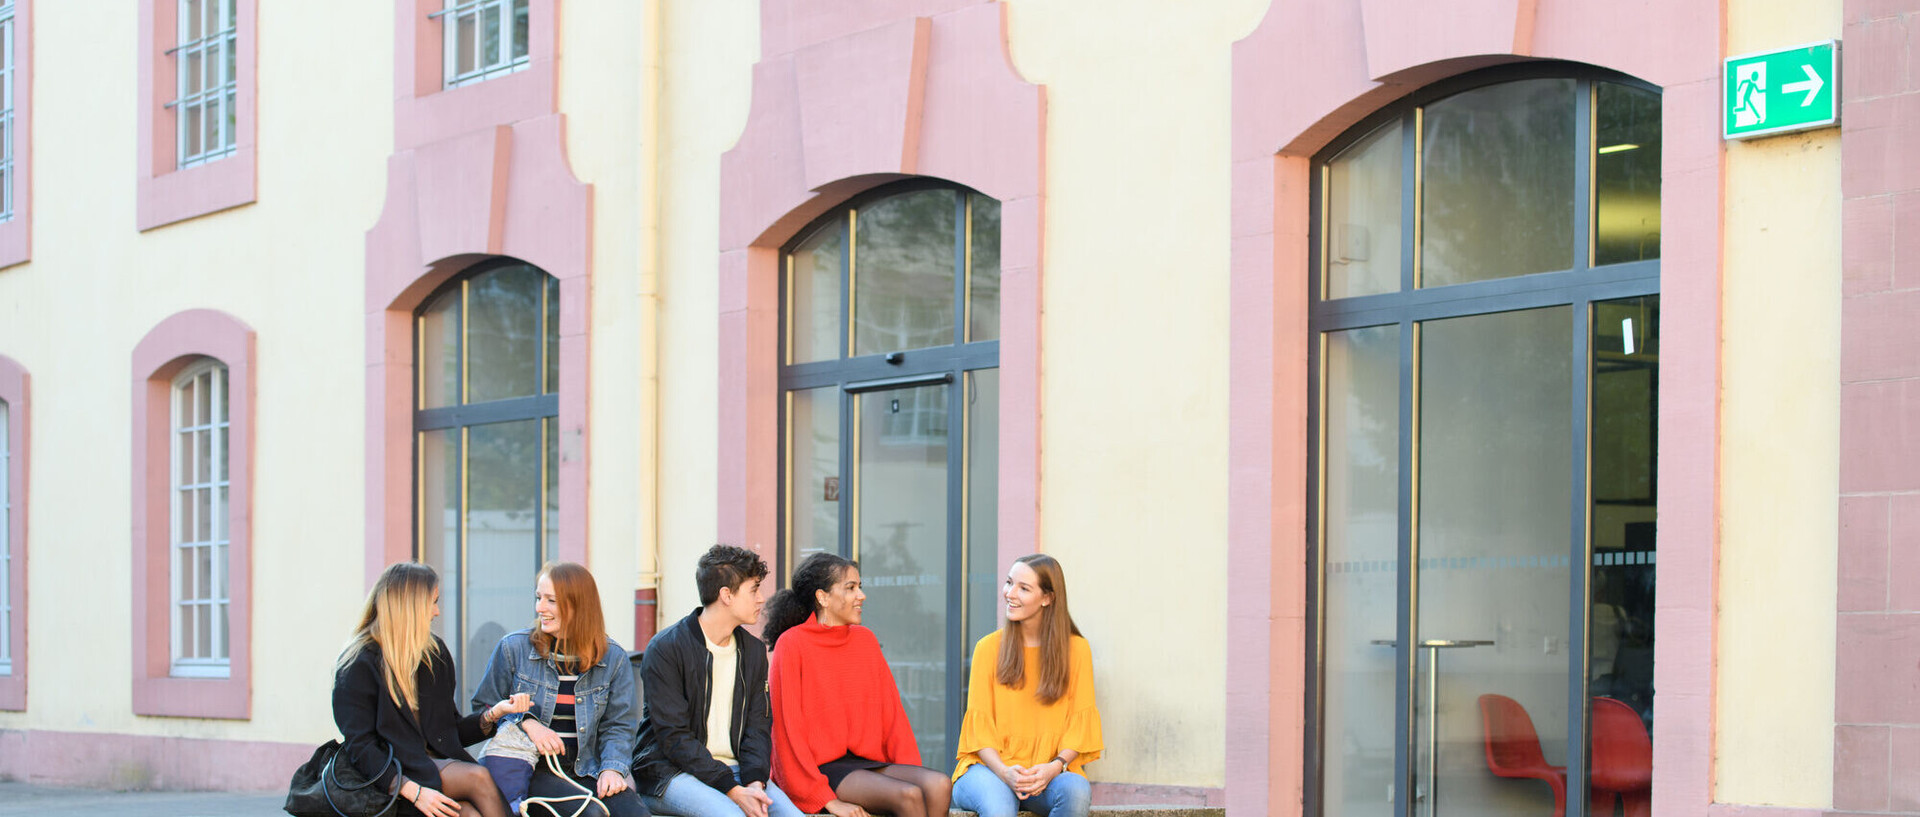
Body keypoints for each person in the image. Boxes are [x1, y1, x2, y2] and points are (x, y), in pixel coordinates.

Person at [332, 562, 531, 817]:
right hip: (390, 779)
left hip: (433, 770)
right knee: (478, 777)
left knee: (471, 814)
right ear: (410, 607)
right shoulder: (359, 664)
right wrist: (411, 790)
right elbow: (361, 747)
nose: (436, 612)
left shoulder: (433, 655)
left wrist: (493, 715)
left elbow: (449, 733)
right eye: (433, 602)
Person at [764, 552, 951, 817]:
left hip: (866, 763)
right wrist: (825, 799)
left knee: (939, 785)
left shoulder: (865, 640)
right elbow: (786, 733)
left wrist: (911, 771)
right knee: (908, 796)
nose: (861, 595)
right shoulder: (792, 644)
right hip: (820, 769)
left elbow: (892, 715)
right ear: (823, 597)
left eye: (859, 587)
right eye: (850, 588)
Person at [632, 545, 804, 817]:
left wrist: (755, 783)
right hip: (670, 773)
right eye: (753, 589)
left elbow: (758, 728)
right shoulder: (666, 649)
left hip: (739, 773)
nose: (761, 599)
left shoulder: (753, 652)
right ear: (726, 595)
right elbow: (674, 738)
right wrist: (733, 791)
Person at [473, 562, 649, 817]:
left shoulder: (613, 658)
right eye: (539, 598)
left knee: (636, 814)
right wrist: (527, 723)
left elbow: (619, 726)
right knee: (590, 814)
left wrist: (612, 768)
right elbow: (483, 709)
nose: (540, 608)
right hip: (532, 769)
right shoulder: (514, 649)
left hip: (588, 767)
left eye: (551, 600)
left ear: (579, 606)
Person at [950, 555, 1103, 817]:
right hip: (988, 771)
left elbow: (1080, 725)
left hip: (1048, 774)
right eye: (1009, 583)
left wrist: (1053, 768)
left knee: (1076, 790)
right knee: (1001, 803)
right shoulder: (988, 648)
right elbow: (979, 730)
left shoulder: (1077, 650)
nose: (1010, 593)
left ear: (1047, 598)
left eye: (1024, 588)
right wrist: (1004, 772)